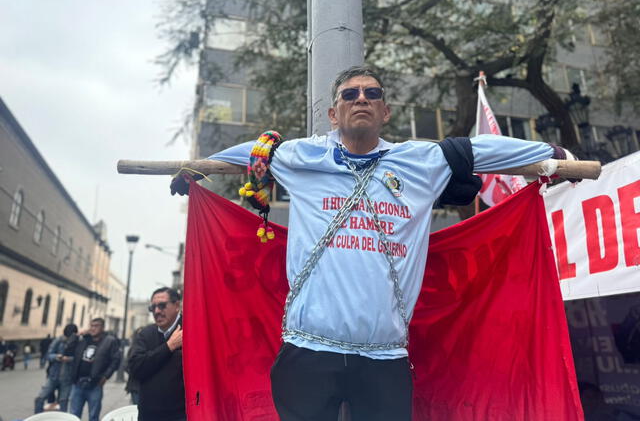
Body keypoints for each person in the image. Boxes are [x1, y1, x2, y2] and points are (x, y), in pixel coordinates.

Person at [171, 66, 573, 421]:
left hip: (385, 358)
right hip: (307, 352)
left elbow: (482, 150)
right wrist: (196, 166)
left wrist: (554, 154)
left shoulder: (421, 162)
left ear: (385, 111)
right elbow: (252, 154)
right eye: (350, 94)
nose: (361, 98)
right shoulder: (302, 156)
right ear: (333, 114)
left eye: (372, 93)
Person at [128, 287, 185, 421]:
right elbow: (136, 368)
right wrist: (169, 346)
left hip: (181, 415)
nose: (157, 311)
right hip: (149, 414)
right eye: (153, 307)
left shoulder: (192, 329)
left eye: (162, 305)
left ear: (177, 305)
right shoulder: (146, 333)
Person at [69, 318, 121, 421]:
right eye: (91, 326)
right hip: (78, 383)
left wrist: (106, 376)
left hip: (94, 385)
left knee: (93, 416)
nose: (93, 328)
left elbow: (116, 360)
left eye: (96, 326)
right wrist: (76, 336)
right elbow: (69, 349)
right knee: (74, 416)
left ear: (102, 328)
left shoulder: (109, 341)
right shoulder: (84, 339)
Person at [34, 324, 78, 413]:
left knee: (63, 402)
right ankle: (38, 418)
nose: (68, 339)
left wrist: (69, 359)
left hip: (67, 378)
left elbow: (78, 359)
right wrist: (56, 357)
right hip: (53, 376)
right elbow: (48, 355)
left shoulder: (77, 342)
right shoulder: (58, 341)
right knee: (40, 398)